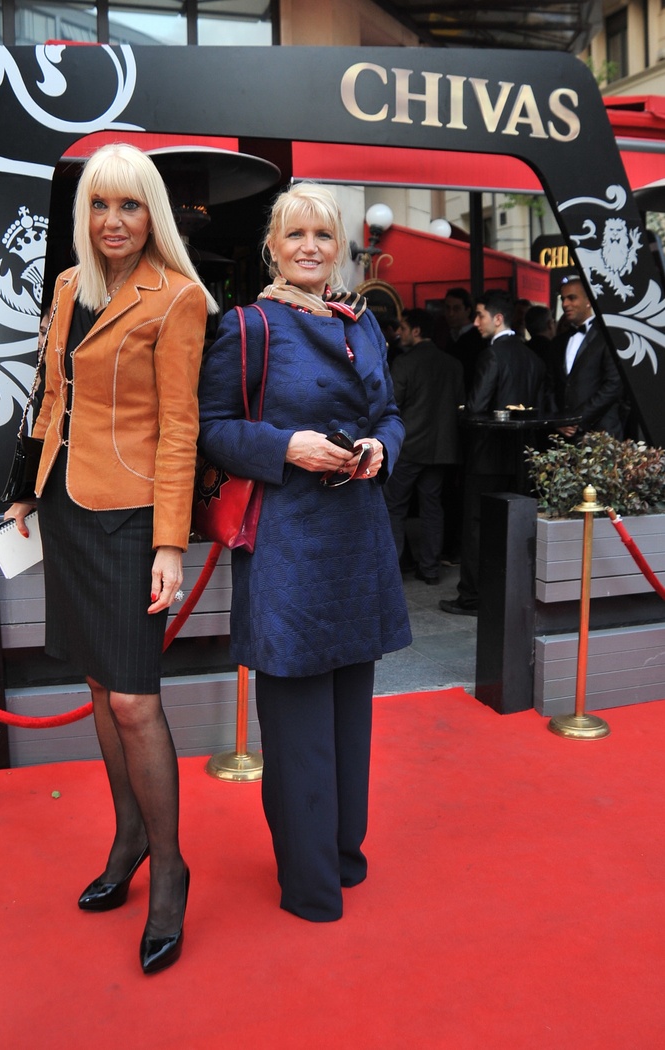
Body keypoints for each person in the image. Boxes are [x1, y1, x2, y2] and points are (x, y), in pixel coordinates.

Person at [5, 143, 217, 974]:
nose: (113, 221)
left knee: (133, 698)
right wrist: (25, 488)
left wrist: (170, 541)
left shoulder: (180, 298)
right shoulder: (69, 286)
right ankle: (128, 838)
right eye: (99, 205)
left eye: (129, 205)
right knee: (98, 685)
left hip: (131, 517)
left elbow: (180, 428)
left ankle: (170, 870)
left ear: (151, 212)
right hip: (67, 505)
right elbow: (49, 393)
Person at [198, 182, 411, 923]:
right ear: (273, 248)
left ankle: (345, 855)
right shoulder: (248, 325)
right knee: (295, 723)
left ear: (340, 248)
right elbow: (211, 426)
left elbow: (390, 413)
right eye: (295, 234)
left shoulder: (363, 324)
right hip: (287, 544)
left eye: (323, 235)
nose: (310, 247)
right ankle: (310, 881)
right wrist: (286, 446)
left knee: (351, 716)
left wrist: (381, 447)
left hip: (356, 535)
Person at [440, 288, 545, 616]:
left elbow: (476, 407)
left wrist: (462, 411)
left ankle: (472, 597)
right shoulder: (532, 357)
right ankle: (511, 595)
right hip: (522, 457)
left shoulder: (492, 355)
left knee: (476, 527)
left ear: (498, 319)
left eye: (480, 315)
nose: (476, 322)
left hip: (486, 456)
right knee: (515, 528)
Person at [384, 308, 464, 584]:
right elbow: (460, 405)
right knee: (432, 507)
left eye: (403, 328)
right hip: (441, 449)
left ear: (416, 331)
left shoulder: (404, 363)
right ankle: (430, 569)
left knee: (395, 508)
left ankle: (393, 571)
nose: (399, 332)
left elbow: (391, 405)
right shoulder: (453, 364)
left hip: (408, 447)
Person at [546, 274, 624, 440]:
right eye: (563, 299)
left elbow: (613, 385)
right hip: (563, 437)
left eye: (572, 298)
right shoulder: (558, 342)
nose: (565, 304)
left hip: (601, 435)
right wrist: (557, 420)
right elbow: (550, 386)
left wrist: (576, 419)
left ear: (589, 300)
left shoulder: (608, 336)